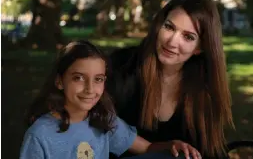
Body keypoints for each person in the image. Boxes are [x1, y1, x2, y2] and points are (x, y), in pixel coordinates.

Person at [20, 41, 201, 159]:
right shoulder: (40, 135)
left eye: (98, 79)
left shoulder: (103, 119)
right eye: (79, 78)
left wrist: (172, 144)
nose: (90, 89)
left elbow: (146, 148)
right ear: (60, 81)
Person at [107, 0, 234, 158]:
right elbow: (95, 125)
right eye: (169, 27)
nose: (172, 42)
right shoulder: (122, 65)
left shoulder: (204, 89)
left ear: (200, 48)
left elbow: (209, 151)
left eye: (188, 37)